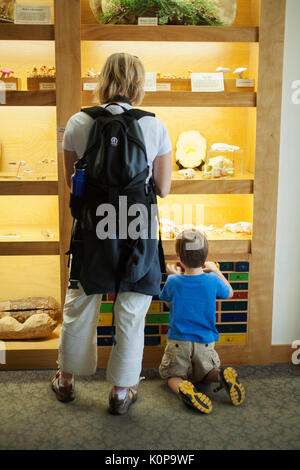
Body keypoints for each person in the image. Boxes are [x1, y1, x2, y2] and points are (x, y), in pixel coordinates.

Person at [51, 52, 172, 415]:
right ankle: (121, 392)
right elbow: (163, 188)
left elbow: (76, 186)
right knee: (132, 308)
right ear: (139, 83)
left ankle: (67, 379)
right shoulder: (155, 126)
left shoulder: (77, 122)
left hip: (94, 224)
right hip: (137, 224)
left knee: (81, 301)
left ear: (103, 79)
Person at [159, 229, 245, 414]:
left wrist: (170, 274)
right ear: (205, 255)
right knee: (206, 374)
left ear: (179, 257)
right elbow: (229, 293)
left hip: (178, 342)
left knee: (173, 376)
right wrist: (215, 269)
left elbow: (167, 303)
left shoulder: (173, 280)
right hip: (205, 342)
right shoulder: (212, 280)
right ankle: (221, 375)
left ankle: (183, 389)